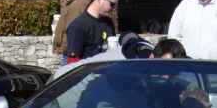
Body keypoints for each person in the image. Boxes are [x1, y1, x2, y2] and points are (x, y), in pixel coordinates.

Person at [48, 34, 186, 82]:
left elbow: (127, 35)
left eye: (172, 72)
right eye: (163, 68)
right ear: (151, 57)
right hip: (63, 87)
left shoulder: (147, 49)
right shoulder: (127, 71)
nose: (167, 77)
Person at [65, 0, 119, 64]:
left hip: (108, 73)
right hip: (89, 75)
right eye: (112, 4)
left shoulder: (108, 22)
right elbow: (72, 64)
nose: (114, 9)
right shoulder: (78, 26)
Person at [52, 0, 87, 65]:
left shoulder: (76, 6)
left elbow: (71, 30)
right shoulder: (76, 3)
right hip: (72, 50)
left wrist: (65, 48)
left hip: (71, 52)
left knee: (67, 77)